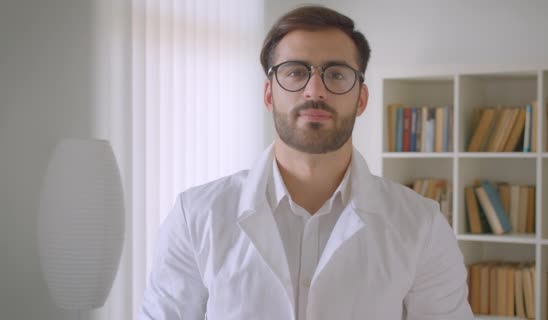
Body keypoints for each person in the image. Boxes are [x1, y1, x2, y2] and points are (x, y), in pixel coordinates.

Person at [139, 5, 473, 320]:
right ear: (269, 94)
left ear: (362, 99)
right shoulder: (197, 217)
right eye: (296, 72)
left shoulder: (421, 226)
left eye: (337, 74)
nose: (315, 90)